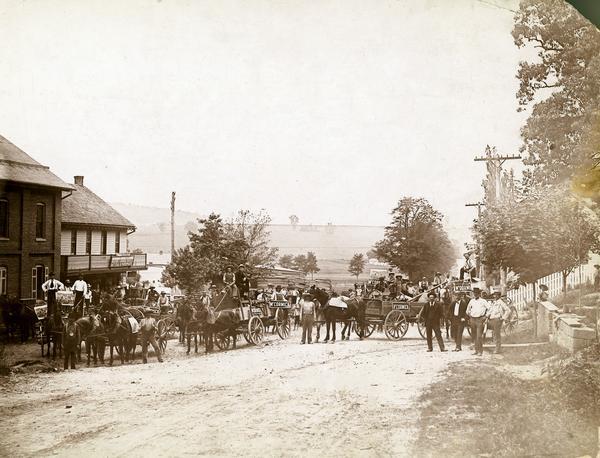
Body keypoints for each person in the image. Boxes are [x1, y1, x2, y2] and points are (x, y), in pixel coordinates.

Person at [466, 288, 489, 356]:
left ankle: (480, 351)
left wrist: (485, 316)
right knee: (474, 336)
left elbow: (490, 308)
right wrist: (470, 315)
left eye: (476, 293)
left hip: (480, 320)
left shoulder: (483, 301)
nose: (475, 294)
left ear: (479, 294)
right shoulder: (471, 301)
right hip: (473, 319)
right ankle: (476, 350)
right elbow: (467, 310)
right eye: (474, 293)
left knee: (479, 336)